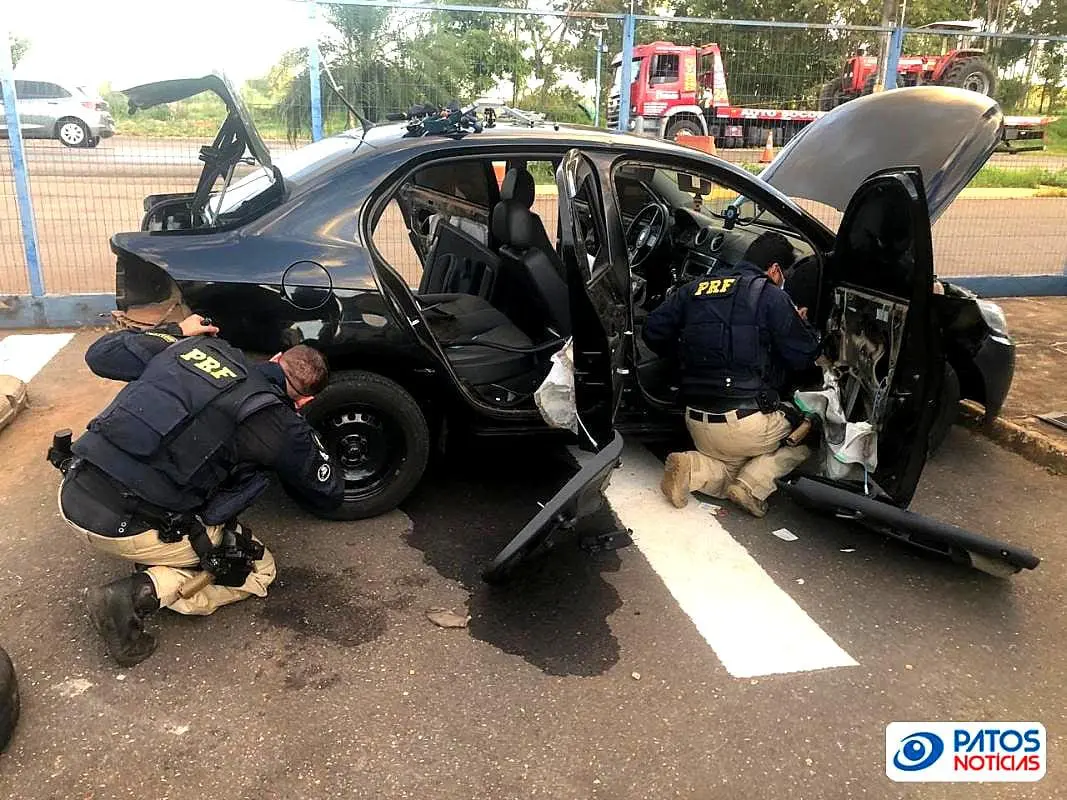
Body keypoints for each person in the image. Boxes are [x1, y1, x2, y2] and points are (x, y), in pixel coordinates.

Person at [54, 315, 344, 666]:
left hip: (73, 489)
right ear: (304, 401)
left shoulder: (196, 347)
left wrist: (175, 331)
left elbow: (100, 355)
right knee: (257, 569)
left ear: (274, 359)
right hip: (127, 527)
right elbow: (328, 490)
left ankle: (157, 550)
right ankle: (137, 594)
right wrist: (302, 438)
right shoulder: (281, 424)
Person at [642, 231, 821, 517]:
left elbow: (652, 331)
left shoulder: (695, 287)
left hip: (695, 420)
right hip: (745, 423)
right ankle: (752, 486)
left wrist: (687, 354)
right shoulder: (771, 296)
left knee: (732, 464)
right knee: (810, 432)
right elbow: (803, 356)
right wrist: (800, 325)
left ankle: (691, 468)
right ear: (775, 270)